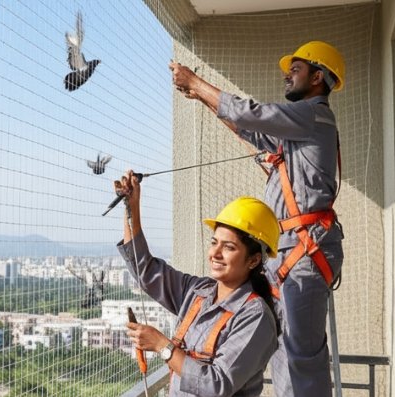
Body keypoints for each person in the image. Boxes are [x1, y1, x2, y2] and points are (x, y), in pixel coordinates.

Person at [169, 41, 346, 396]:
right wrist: (200, 95)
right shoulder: (300, 130)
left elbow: (252, 114)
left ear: (318, 77)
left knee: (301, 354)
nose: (287, 75)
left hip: (304, 252)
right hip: (290, 252)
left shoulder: (313, 115)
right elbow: (251, 130)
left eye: (295, 69)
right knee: (281, 347)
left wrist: (198, 83)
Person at [117, 170, 280, 397]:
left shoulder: (255, 317)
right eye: (214, 242)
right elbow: (146, 271)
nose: (215, 253)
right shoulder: (197, 292)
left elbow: (215, 385)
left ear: (253, 260)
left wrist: (162, 345)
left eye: (229, 247)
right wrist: (131, 208)